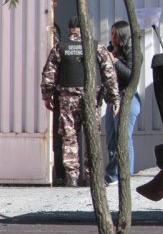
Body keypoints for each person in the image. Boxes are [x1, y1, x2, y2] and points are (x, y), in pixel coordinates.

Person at [40, 16, 120, 187]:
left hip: (67, 99)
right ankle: (92, 177)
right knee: (92, 137)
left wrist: (47, 96)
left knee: (70, 137)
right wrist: (114, 98)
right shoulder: (96, 46)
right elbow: (109, 74)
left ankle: (72, 178)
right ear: (84, 28)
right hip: (91, 99)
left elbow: (49, 75)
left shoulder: (60, 47)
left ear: (70, 29)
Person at [104, 20, 140, 185]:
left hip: (127, 99)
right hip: (113, 99)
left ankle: (125, 174)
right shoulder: (113, 51)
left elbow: (130, 75)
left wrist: (115, 61)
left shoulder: (133, 52)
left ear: (122, 35)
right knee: (112, 138)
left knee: (124, 138)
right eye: (111, 34)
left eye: (114, 34)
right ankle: (113, 174)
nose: (111, 37)